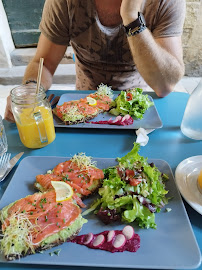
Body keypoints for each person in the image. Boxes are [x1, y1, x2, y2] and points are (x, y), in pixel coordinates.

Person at [5, 0, 186, 122]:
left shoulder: (166, 2)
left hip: (140, 108)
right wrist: (30, 90)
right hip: (83, 107)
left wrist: (132, 18)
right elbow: (43, 63)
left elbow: (165, 85)